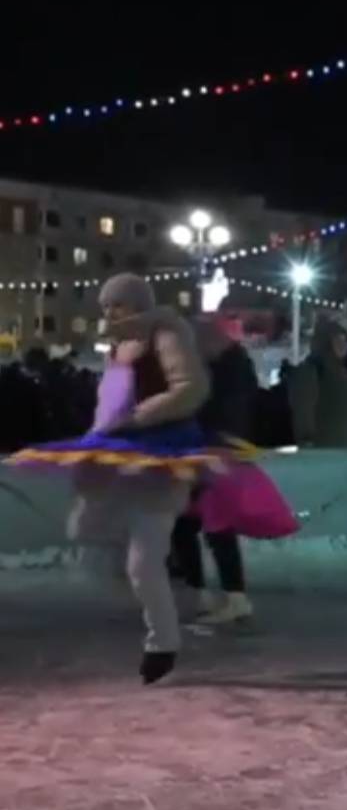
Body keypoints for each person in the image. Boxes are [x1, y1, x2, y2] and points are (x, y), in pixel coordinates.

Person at [5, 274, 213, 684]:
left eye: (117, 305)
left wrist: (138, 419)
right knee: (86, 530)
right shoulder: (118, 347)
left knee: (144, 561)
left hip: (160, 458)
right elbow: (109, 405)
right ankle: (177, 601)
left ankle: (163, 642)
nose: (109, 313)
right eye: (105, 307)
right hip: (116, 458)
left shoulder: (164, 334)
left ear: (137, 303)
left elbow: (190, 387)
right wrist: (95, 444)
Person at [170, 316, 264, 626]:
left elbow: (219, 412)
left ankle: (224, 595)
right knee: (197, 522)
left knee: (210, 523)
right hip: (214, 450)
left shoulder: (229, 371)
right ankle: (215, 594)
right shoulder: (229, 367)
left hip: (216, 453)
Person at [289, 320, 347, 447]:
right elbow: (304, 407)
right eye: (337, 341)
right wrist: (306, 439)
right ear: (326, 344)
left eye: (345, 341)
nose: (343, 345)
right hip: (327, 447)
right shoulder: (313, 370)